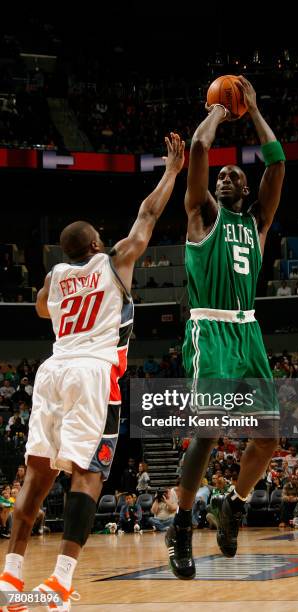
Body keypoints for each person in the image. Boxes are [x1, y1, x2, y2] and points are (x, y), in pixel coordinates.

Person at [0, 133, 185, 608]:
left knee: (35, 474)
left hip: (52, 370)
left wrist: (65, 296)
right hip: (92, 372)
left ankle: (10, 576)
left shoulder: (54, 278)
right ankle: (60, 581)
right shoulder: (114, 261)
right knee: (88, 474)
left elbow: (43, 310)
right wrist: (171, 171)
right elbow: (147, 216)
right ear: (97, 243)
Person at [165, 76, 285, 579]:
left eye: (236, 175)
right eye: (223, 176)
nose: (226, 178)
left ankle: (234, 504)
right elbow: (197, 148)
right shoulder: (200, 214)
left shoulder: (257, 223)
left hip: (248, 331)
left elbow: (276, 164)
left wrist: (253, 111)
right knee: (209, 432)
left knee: (269, 437)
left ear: (247, 188)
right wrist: (219, 108)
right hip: (210, 331)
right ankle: (182, 524)